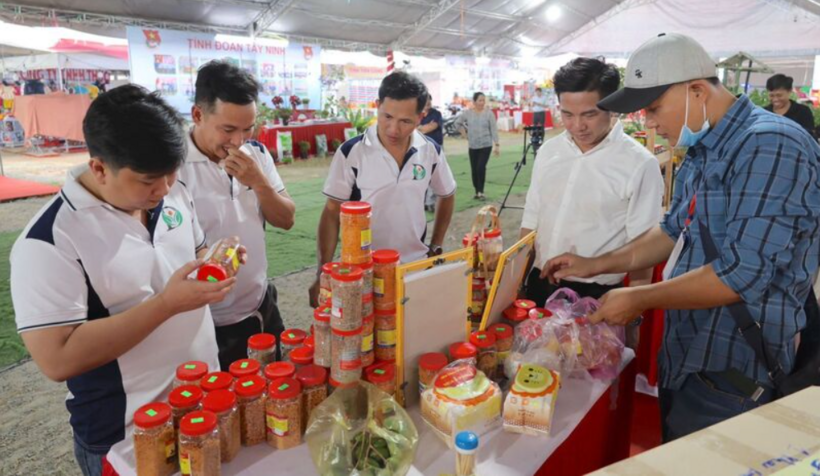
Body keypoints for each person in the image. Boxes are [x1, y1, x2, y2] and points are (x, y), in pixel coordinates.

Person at [546, 33, 820, 442]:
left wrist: (640, 297)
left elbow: (740, 274)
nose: (650, 122)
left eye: (654, 108)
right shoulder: (704, 147)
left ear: (696, 90)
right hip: (690, 353)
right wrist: (596, 264)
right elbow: (675, 229)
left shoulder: (770, 144)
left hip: (737, 369)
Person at [10, 85, 238, 475]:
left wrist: (217, 261)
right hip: (127, 433)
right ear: (99, 168)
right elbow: (57, 358)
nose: (164, 188)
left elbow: (194, 254)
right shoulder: (49, 240)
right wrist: (166, 304)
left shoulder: (173, 194)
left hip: (202, 402)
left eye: (171, 174)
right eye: (149, 180)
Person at [178, 60, 295, 370]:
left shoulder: (256, 155)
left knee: (277, 395)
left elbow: (286, 219)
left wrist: (258, 181)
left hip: (260, 306)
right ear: (198, 115)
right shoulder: (173, 169)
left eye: (248, 128)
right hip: (204, 322)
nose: (238, 141)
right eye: (228, 130)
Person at [521, 57, 663, 309]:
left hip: (597, 295)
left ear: (613, 107)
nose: (578, 126)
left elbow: (644, 249)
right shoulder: (549, 151)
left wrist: (635, 311)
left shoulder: (639, 163)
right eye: (567, 114)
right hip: (538, 282)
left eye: (589, 114)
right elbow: (531, 221)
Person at [310, 71, 457, 306]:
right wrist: (322, 272)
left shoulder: (431, 151)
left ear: (422, 116)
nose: (393, 130)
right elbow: (331, 212)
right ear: (377, 106)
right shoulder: (352, 153)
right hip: (364, 272)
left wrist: (436, 244)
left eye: (406, 121)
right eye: (387, 116)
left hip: (415, 266)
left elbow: (447, 194)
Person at [455, 92, 500, 200]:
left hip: (486, 145)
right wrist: (464, 133)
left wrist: (497, 144)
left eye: (483, 100)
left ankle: (481, 191)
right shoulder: (468, 113)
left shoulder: (489, 114)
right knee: (474, 169)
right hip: (473, 145)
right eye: (480, 100)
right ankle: (477, 191)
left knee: (480, 167)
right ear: (474, 102)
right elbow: (457, 123)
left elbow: (493, 129)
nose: (482, 102)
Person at [764, 73, 815, 138]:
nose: (775, 99)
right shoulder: (764, 113)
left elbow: (810, 138)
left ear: (789, 91)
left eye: (779, 95)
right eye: (771, 96)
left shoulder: (803, 111)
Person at [419, 93, 444, 212]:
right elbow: (415, 129)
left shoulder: (436, 114)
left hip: (435, 147)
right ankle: (422, 201)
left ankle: (431, 202)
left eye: (429, 100)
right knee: (420, 174)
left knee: (435, 174)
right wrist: (422, 128)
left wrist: (421, 128)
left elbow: (430, 128)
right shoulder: (416, 114)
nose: (428, 103)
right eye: (425, 101)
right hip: (420, 147)